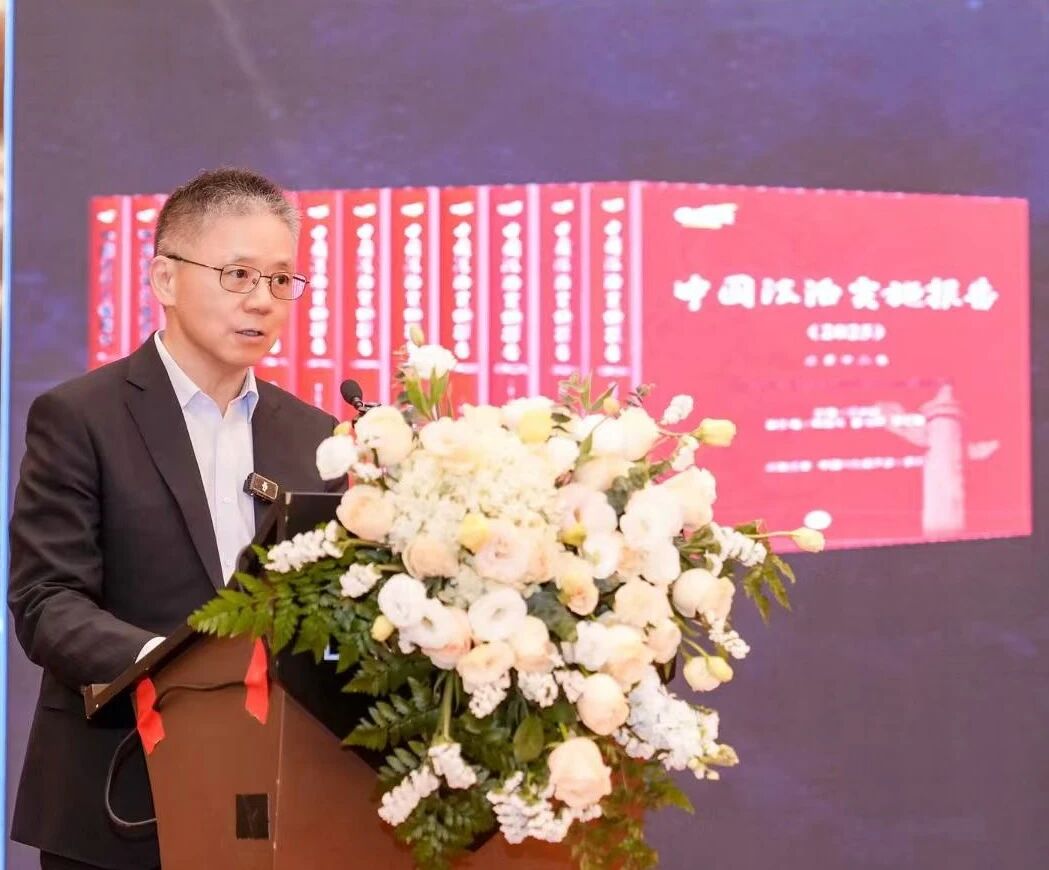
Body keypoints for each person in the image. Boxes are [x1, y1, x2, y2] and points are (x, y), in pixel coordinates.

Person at [8, 168, 344, 869]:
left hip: (278, 805)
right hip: (119, 800)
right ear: (165, 278)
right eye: (238, 275)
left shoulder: (316, 436)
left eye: (281, 280)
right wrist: (172, 669)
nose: (263, 300)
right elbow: (47, 600)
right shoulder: (80, 417)